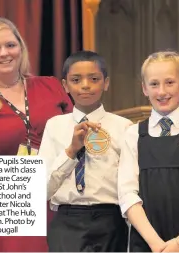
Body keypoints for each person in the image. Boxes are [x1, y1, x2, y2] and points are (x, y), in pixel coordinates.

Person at [0, 17, 73, 252]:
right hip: (1, 206)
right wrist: (34, 177)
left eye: (10, 45)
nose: (4, 53)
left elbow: (74, 136)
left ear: (21, 48)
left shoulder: (51, 85)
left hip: (57, 201)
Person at [118, 51, 179, 252]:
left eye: (170, 82)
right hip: (148, 242)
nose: (162, 91)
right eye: (154, 84)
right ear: (144, 88)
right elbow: (127, 194)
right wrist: (156, 244)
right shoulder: (133, 134)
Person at [38, 50, 131, 252]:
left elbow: (130, 184)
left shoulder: (124, 128)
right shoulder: (54, 126)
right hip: (67, 221)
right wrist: (71, 150)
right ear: (65, 86)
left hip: (111, 219)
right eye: (76, 79)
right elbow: (41, 190)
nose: (86, 85)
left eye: (94, 78)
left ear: (106, 83)